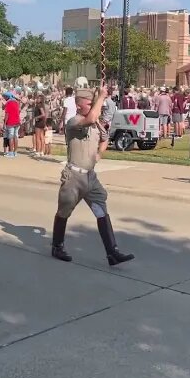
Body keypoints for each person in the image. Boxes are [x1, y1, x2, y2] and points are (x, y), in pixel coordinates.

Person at [48, 86, 134, 265]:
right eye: (90, 103)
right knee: (64, 211)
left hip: (90, 178)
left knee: (101, 211)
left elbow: (105, 138)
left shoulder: (95, 123)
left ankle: (112, 252)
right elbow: (92, 117)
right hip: (74, 177)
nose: (94, 106)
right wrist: (102, 96)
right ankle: (57, 246)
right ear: (79, 106)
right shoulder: (74, 122)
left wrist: (99, 153)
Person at [3, 90, 21, 158]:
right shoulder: (16, 102)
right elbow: (19, 111)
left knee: (10, 137)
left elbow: (7, 113)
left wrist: (5, 123)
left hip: (11, 122)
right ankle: (15, 152)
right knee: (16, 137)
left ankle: (10, 152)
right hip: (17, 121)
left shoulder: (8, 103)